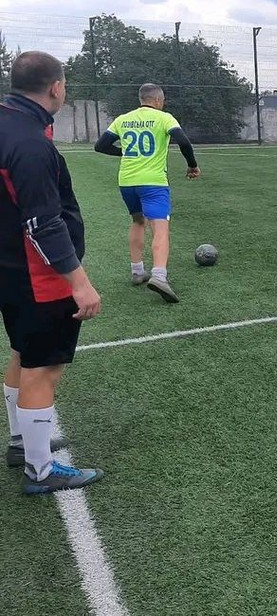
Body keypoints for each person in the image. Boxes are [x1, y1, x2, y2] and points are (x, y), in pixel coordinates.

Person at [1, 51, 104, 494]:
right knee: (43, 367)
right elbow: (43, 223)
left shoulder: (9, 123)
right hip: (37, 275)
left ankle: (21, 443)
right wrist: (79, 282)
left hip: (10, 268)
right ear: (56, 87)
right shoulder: (30, 143)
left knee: (22, 353)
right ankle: (40, 470)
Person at [95, 84, 200, 304]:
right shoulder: (164, 118)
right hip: (153, 182)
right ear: (159, 100)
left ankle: (137, 271)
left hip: (127, 182)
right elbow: (183, 140)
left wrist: (124, 152)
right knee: (160, 227)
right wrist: (192, 165)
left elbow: (101, 146)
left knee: (137, 221)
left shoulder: (123, 119)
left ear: (141, 99)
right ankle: (159, 276)